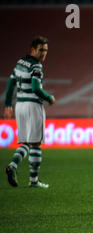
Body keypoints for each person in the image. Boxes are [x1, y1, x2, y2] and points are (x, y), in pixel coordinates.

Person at [4, 36, 55, 188]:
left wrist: (8, 104)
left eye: (45, 51)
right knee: (36, 144)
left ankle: (12, 165)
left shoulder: (20, 63)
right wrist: (49, 97)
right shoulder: (36, 67)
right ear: (33, 50)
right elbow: (36, 88)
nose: (43, 54)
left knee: (26, 142)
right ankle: (34, 180)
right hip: (33, 106)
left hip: (20, 105)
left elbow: (11, 83)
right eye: (41, 50)